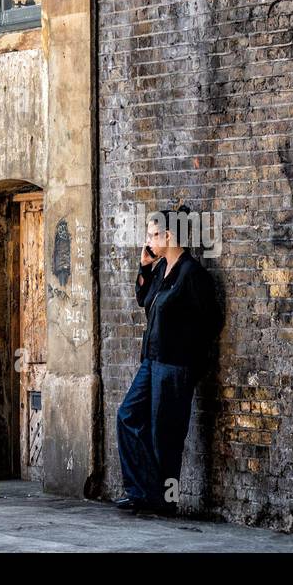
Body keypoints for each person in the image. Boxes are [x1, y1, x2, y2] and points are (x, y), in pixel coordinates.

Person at [114, 204, 222, 517]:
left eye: (152, 235)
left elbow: (211, 322)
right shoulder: (161, 270)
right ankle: (143, 492)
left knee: (167, 437)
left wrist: (189, 355)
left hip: (176, 366)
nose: (148, 241)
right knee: (127, 416)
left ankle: (167, 500)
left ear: (170, 235)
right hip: (151, 361)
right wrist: (144, 267)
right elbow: (143, 301)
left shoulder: (193, 274)